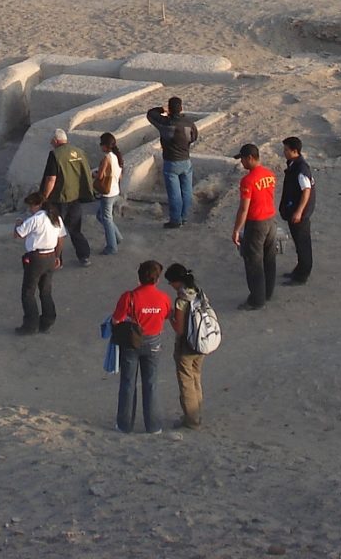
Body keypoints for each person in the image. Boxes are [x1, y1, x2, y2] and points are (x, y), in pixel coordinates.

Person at [111, 259, 172, 434]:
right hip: (153, 342)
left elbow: (117, 320)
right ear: (157, 279)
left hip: (132, 341)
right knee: (151, 383)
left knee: (128, 383)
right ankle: (153, 426)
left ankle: (124, 425)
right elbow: (167, 315)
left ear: (139, 278)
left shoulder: (129, 297)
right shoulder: (163, 298)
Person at [232, 143, 279, 309]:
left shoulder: (247, 180)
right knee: (269, 259)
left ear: (250, 158)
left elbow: (244, 208)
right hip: (270, 221)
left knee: (254, 262)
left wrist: (237, 230)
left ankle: (257, 300)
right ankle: (268, 292)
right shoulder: (270, 174)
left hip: (256, 223)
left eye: (243, 160)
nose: (242, 163)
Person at [39, 128, 94, 266]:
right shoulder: (79, 152)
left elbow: (51, 179)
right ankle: (84, 256)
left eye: (52, 141)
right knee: (75, 229)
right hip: (75, 197)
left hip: (59, 198)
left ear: (56, 141)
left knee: (56, 230)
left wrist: (44, 197)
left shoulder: (55, 155)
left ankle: (57, 259)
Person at [14, 192, 65, 334]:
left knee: (28, 292)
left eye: (31, 206)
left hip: (36, 258)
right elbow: (61, 238)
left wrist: (18, 224)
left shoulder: (35, 219)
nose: (30, 209)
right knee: (46, 291)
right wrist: (57, 256)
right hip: (50, 256)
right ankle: (48, 320)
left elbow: (18, 234)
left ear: (37, 205)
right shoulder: (56, 218)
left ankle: (31, 324)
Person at [164, 263, 206, 429]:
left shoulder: (181, 299)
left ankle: (191, 419)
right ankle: (196, 412)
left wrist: (170, 317)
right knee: (196, 378)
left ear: (176, 281)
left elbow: (179, 329)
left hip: (186, 346)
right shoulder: (197, 292)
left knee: (186, 382)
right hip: (200, 343)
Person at [147, 97, 198, 229]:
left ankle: (175, 220)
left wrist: (161, 110)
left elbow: (150, 114)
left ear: (169, 109)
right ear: (181, 108)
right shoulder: (189, 123)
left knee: (175, 194)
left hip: (171, 162)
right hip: (185, 160)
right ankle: (184, 217)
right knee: (186, 191)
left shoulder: (165, 123)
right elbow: (194, 137)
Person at [279, 136, 316, 286]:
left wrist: (299, 212)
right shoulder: (295, 165)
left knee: (303, 244)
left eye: (286, 150)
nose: (284, 152)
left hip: (299, 214)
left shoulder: (300, 169)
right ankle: (299, 269)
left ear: (295, 151)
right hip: (295, 211)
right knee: (299, 243)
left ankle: (302, 275)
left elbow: (306, 190)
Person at [94, 131, 124, 256]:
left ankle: (112, 247)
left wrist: (93, 174)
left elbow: (100, 176)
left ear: (105, 145)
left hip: (107, 193)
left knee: (106, 219)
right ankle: (117, 236)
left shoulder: (107, 158)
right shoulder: (116, 156)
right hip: (115, 190)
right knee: (101, 216)